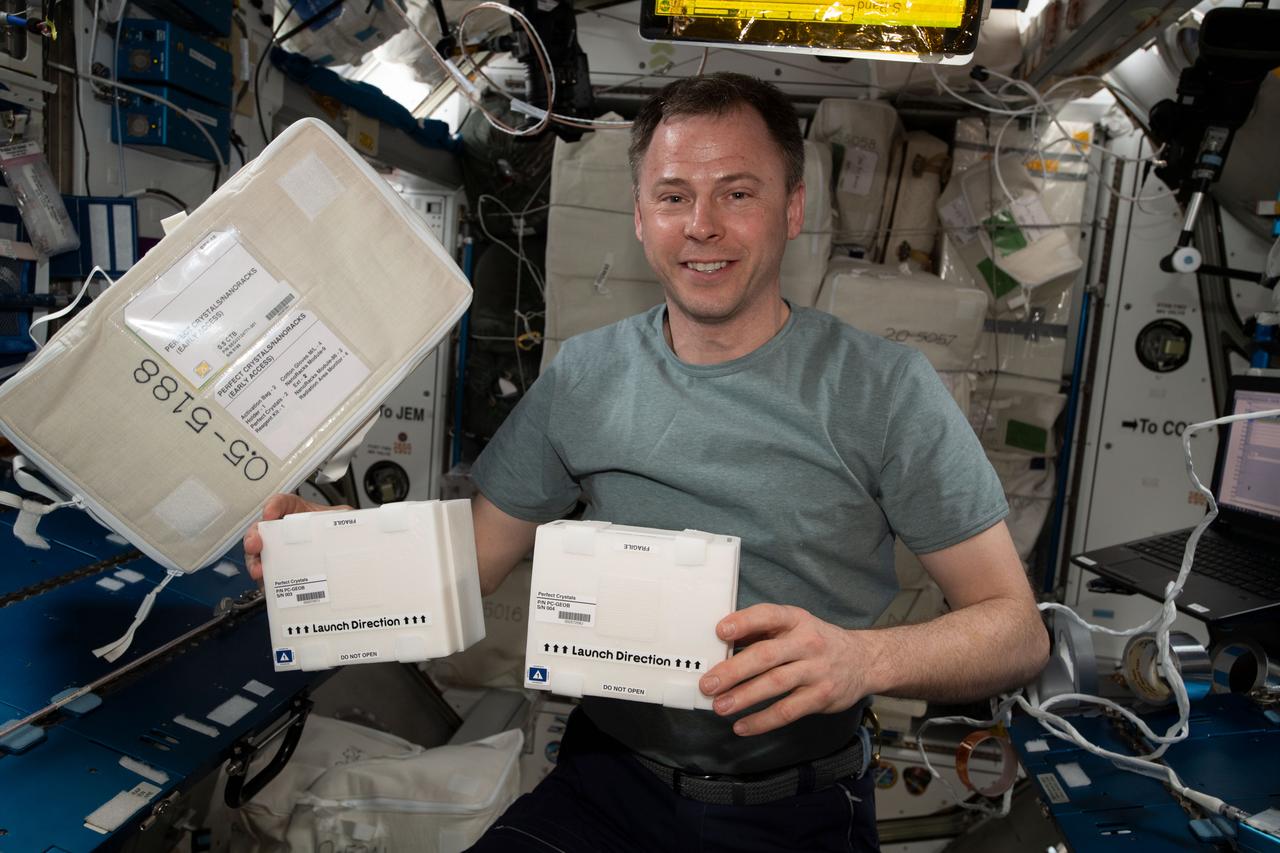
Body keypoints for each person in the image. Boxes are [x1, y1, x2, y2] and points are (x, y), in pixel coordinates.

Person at [244, 73, 1048, 851]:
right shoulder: (584, 378)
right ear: (639, 215)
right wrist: (334, 549)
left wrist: (864, 659)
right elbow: (475, 557)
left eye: (738, 192)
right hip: (605, 785)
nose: (701, 224)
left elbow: (1016, 631)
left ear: (793, 208)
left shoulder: (883, 389)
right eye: (673, 196)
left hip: (795, 805)